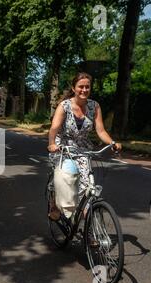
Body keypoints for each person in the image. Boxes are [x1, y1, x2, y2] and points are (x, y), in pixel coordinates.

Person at [47, 72, 122, 220]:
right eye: (81, 87)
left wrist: (112, 143)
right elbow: (54, 128)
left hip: (83, 149)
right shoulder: (65, 106)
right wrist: (51, 144)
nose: (84, 90)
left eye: (87, 87)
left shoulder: (95, 106)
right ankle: (54, 202)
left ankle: (90, 230)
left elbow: (100, 130)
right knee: (63, 178)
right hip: (62, 147)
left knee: (87, 186)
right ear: (74, 88)